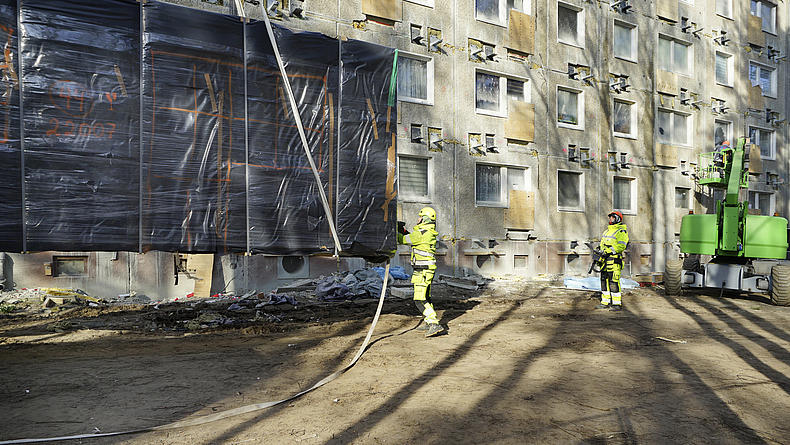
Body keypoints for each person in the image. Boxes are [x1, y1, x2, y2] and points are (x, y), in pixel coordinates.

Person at [398, 207, 444, 337]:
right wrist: (402, 230)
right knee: (426, 297)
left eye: (420, 217)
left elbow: (402, 240)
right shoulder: (425, 232)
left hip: (423, 270)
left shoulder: (422, 233)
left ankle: (434, 323)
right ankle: (429, 322)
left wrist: (393, 230)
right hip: (426, 269)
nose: (418, 219)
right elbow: (411, 237)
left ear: (425, 219)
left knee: (419, 299)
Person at [596, 211, 629, 311]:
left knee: (613, 281)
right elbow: (602, 244)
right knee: (604, 281)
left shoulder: (621, 232)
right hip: (604, 261)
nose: (610, 219)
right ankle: (605, 302)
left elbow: (621, 246)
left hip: (614, 261)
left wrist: (608, 251)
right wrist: (598, 249)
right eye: (610, 217)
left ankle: (616, 304)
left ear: (618, 219)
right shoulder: (606, 231)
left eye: (612, 217)